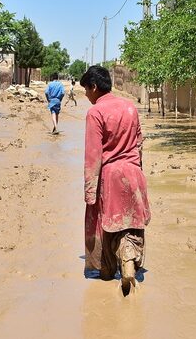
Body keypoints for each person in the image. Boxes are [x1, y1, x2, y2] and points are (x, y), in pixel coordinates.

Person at [80, 65, 150, 294]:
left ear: (94, 87)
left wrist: (90, 192)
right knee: (130, 224)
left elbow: (93, 156)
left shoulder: (95, 112)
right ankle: (128, 261)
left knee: (106, 225)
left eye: (86, 90)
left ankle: (108, 270)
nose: (86, 95)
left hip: (110, 176)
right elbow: (139, 143)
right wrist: (138, 172)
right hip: (134, 173)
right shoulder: (130, 107)